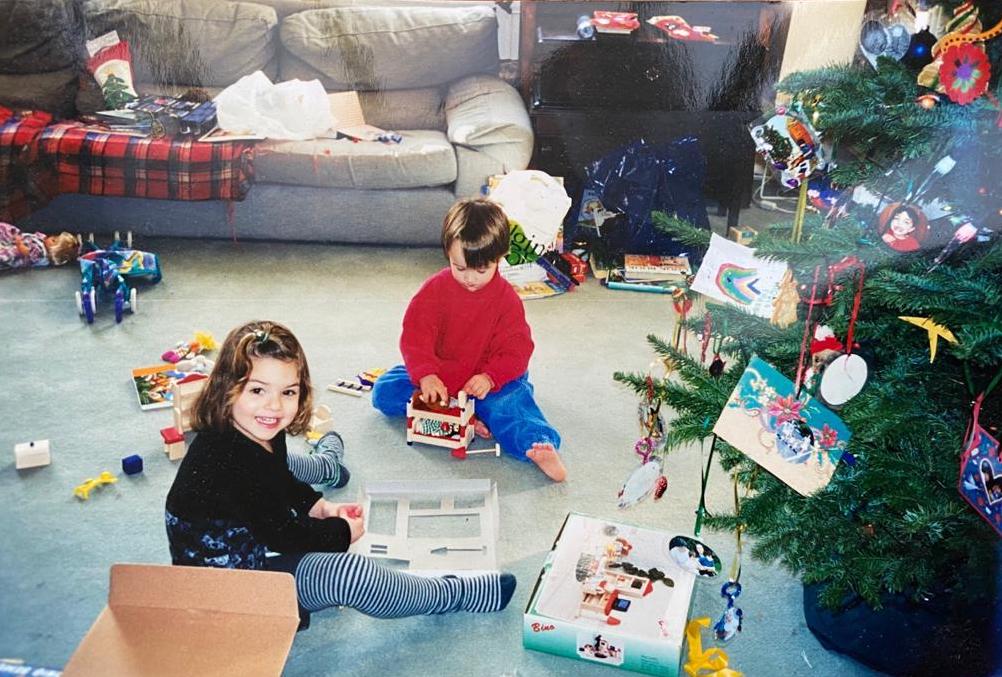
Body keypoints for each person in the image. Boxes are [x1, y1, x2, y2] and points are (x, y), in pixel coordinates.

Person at [165, 320, 515, 628]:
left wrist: (319, 506)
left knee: (292, 467)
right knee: (351, 575)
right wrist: (339, 532)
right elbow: (285, 535)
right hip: (227, 599)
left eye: (288, 392)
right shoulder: (231, 462)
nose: (274, 406)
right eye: (258, 390)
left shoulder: (255, 431)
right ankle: (451, 593)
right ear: (227, 389)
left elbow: (280, 479)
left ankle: (327, 467)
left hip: (246, 555)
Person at [371, 198, 567, 482]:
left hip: (489, 380)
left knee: (510, 406)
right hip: (442, 375)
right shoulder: (434, 290)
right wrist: (426, 374)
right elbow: (415, 336)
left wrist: (490, 377)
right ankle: (464, 415)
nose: (470, 278)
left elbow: (517, 350)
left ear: (499, 258)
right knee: (385, 391)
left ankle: (537, 444)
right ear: (448, 255)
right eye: (459, 267)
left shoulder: (506, 300)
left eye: (481, 269)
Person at [0, 222, 79, 271]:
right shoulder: (44, 241)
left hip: (18, 253)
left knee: (9, 254)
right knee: (8, 229)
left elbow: (27, 253)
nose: (51, 237)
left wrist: (20, 245)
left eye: (54, 240)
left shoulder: (39, 252)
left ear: (53, 251)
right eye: (55, 237)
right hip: (18, 240)